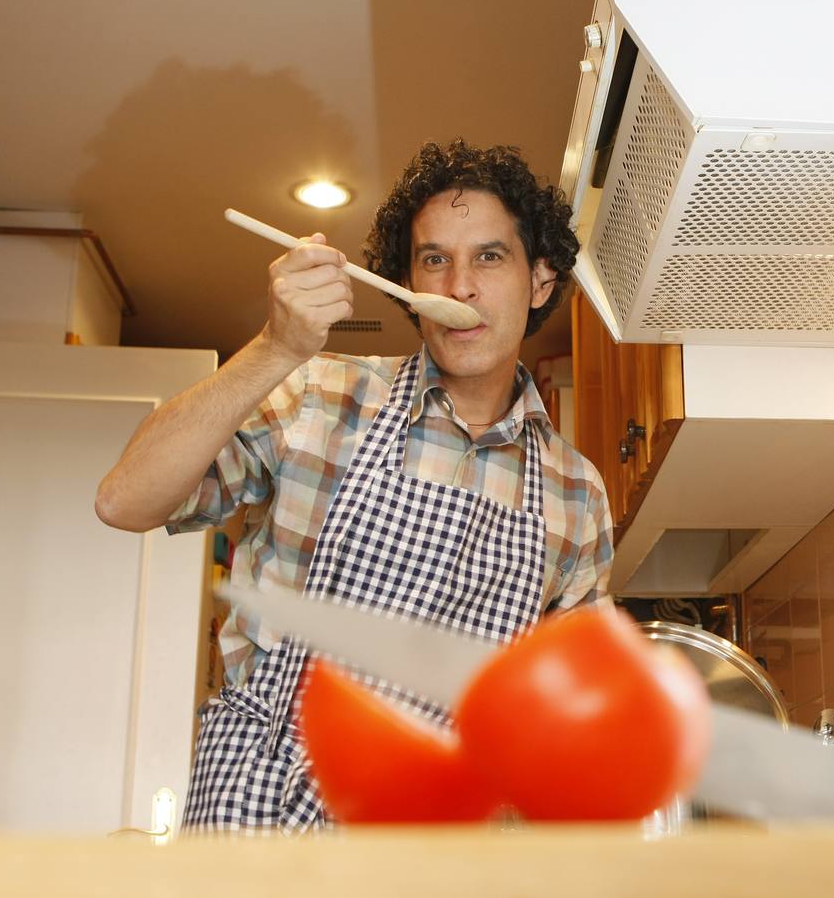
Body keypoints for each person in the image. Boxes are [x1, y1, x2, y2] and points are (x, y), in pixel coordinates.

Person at [94, 140, 614, 833]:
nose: (459, 287)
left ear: (540, 279)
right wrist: (275, 348)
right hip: (255, 812)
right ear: (408, 283)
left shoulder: (576, 494)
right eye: (435, 260)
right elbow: (123, 500)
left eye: (489, 257)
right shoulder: (321, 393)